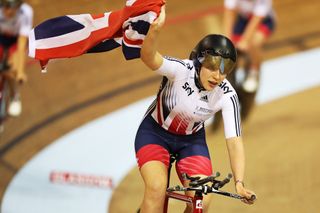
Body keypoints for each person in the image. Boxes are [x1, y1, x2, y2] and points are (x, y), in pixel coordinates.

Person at [134, 6, 256, 213]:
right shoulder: (181, 71)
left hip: (190, 142)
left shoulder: (227, 95)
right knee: (156, 188)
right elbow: (148, 57)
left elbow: (235, 141)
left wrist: (239, 182)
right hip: (155, 134)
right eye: (212, 65)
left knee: (203, 199)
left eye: (225, 68)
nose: (217, 75)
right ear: (198, 62)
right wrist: (153, 31)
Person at [223, 0, 276, 92]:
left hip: (264, 21)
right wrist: (227, 42)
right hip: (244, 20)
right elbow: (229, 16)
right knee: (230, 46)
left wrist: (245, 41)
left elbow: (255, 21)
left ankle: (254, 70)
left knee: (254, 43)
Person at [0, 0, 33, 117]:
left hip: (16, 40)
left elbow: (21, 43)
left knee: (11, 70)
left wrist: (19, 71)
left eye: (12, 8)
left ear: (19, 7)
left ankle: (15, 96)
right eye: (5, 7)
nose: (8, 11)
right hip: (2, 37)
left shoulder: (26, 12)